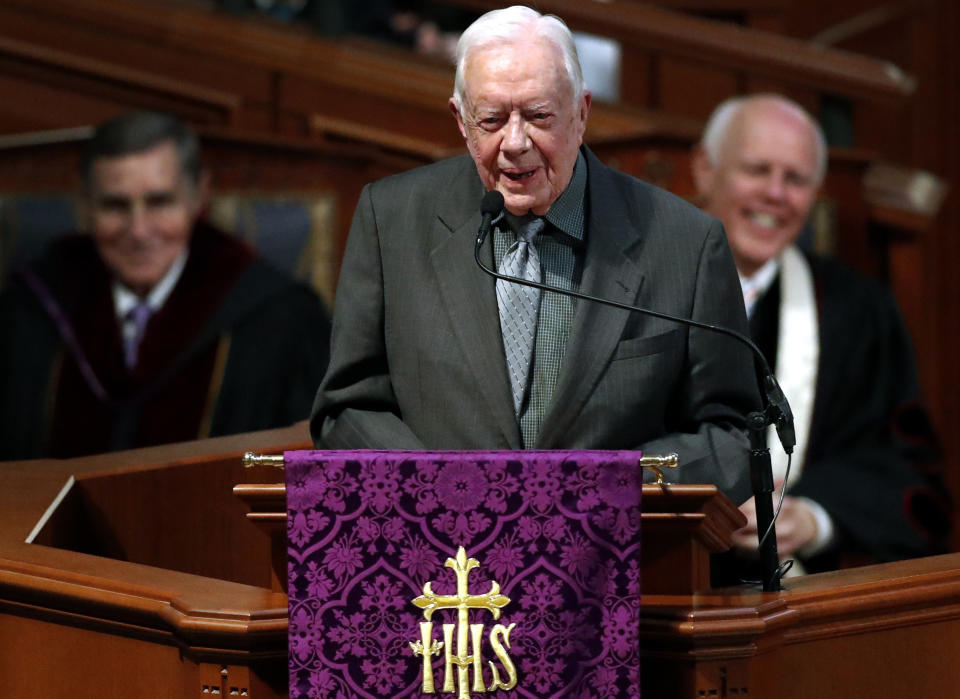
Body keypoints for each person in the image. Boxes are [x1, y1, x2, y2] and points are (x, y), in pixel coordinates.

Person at [311, 6, 759, 503]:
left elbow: (734, 434)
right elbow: (347, 410)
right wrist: (436, 487)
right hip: (440, 558)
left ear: (582, 111)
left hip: (619, 559)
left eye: (539, 116)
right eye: (492, 120)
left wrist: (607, 489)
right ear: (462, 121)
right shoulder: (390, 219)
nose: (515, 143)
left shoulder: (685, 243)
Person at [692, 94, 950, 578]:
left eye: (795, 179)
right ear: (706, 170)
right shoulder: (633, 297)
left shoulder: (857, 312)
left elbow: (910, 474)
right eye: (756, 169)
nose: (775, 193)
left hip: (797, 601)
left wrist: (815, 517)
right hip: (654, 589)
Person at [0, 112, 331, 460]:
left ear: (198, 198)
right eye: (115, 205)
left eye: (159, 202)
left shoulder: (279, 321)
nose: (139, 230)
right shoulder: (31, 308)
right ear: (84, 204)